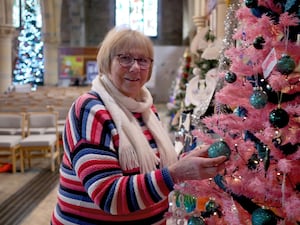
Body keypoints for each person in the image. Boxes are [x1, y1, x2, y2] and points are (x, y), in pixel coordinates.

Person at [51, 26, 227, 225]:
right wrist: (176, 173)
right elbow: (109, 196)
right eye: (125, 58)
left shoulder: (145, 108)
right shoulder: (90, 109)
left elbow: (154, 166)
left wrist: (188, 160)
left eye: (143, 60)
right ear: (107, 62)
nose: (135, 67)